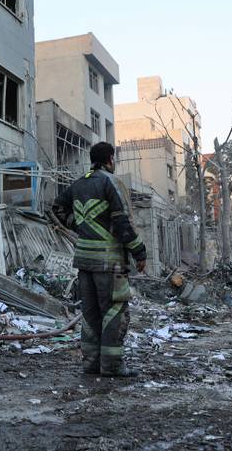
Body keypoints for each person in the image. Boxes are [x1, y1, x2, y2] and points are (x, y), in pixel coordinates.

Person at [53, 141, 147, 377]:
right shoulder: (112, 182)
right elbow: (123, 221)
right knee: (114, 311)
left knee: (91, 313)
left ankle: (91, 363)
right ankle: (112, 365)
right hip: (109, 262)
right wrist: (139, 252)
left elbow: (57, 208)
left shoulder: (78, 184)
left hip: (84, 261)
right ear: (110, 159)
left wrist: (80, 227)